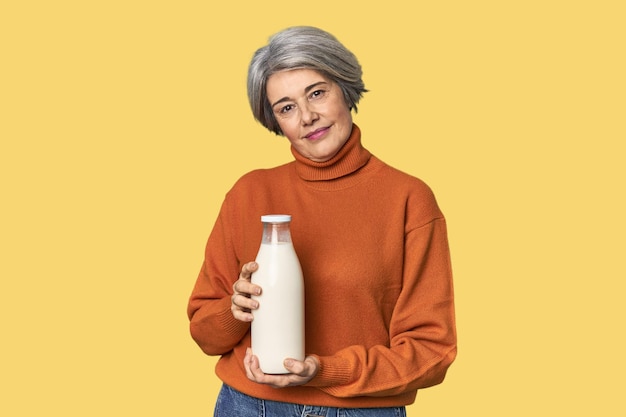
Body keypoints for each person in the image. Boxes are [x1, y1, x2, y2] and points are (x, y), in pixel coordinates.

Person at [187, 26, 457, 416]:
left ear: (344, 88)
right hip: (250, 405)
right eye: (286, 107)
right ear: (274, 120)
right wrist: (234, 311)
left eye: (316, 93)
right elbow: (204, 333)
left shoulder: (408, 199)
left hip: (364, 409)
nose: (308, 117)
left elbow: (432, 351)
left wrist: (326, 371)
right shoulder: (249, 195)